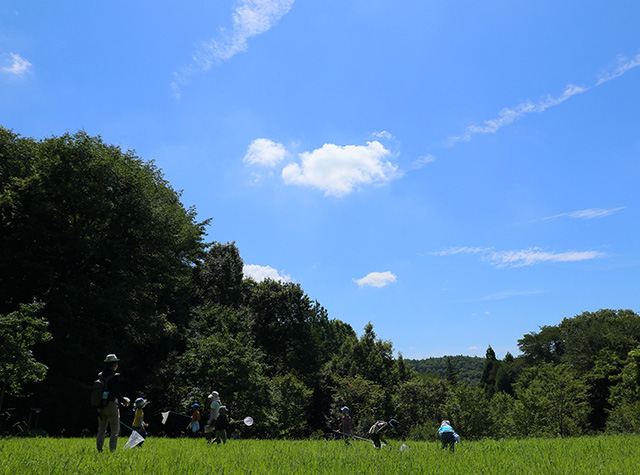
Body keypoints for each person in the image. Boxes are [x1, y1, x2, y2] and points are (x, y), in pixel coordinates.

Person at [96, 354, 130, 452]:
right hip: (111, 405)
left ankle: (100, 450)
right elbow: (115, 392)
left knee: (101, 429)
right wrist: (123, 400)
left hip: (100, 405)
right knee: (115, 430)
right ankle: (112, 451)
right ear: (115, 364)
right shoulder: (114, 376)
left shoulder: (100, 375)